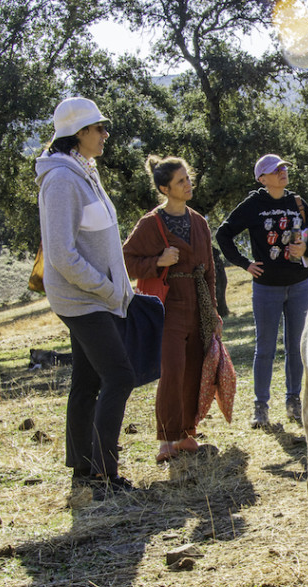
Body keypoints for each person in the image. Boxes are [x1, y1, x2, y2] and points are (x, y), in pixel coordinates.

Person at [36, 97, 135, 499]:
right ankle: (103, 475)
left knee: (87, 379)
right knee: (120, 376)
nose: (105, 134)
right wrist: (107, 289)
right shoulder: (62, 180)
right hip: (83, 299)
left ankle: (83, 470)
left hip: (95, 296)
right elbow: (61, 254)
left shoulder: (83, 170)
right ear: (79, 134)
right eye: (99, 128)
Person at [123, 156, 219, 464]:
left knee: (194, 367)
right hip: (166, 306)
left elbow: (210, 272)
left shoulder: (199, 222)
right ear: (165, 188)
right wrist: (157, 262)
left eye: (188, 178)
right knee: (172, 370)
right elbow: (126, 259)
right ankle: (166, 439)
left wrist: (213, 312)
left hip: (197, 303)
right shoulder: (151, 224)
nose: (188, 183)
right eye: (181, 181)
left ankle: (186, 433)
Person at [216, 154, 308, 428]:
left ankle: (293, 401)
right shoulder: (253, 205)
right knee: (264, 349)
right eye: (275, 170)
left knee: (296, 347)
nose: (282, 172)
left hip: (299, 285)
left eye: (284, 168)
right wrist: (244, 264)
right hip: (266, 288)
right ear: (262, 178)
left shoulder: (297, 203)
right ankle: (260, 407)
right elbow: (223, 234)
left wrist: (304, 250)